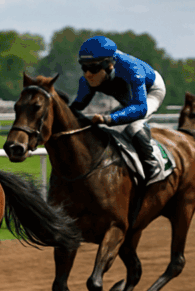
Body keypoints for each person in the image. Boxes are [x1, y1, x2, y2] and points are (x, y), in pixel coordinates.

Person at [69, 35, 167, 183]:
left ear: (109, 65)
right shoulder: (86, 80)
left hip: (150, 92)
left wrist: (109, 118)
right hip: (129, 98)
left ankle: (152, 165)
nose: (88, 73)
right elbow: (78, 106)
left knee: (134, 125)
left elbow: (139, 107)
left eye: (94, 68)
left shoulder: (132, 69)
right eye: (84, 67)